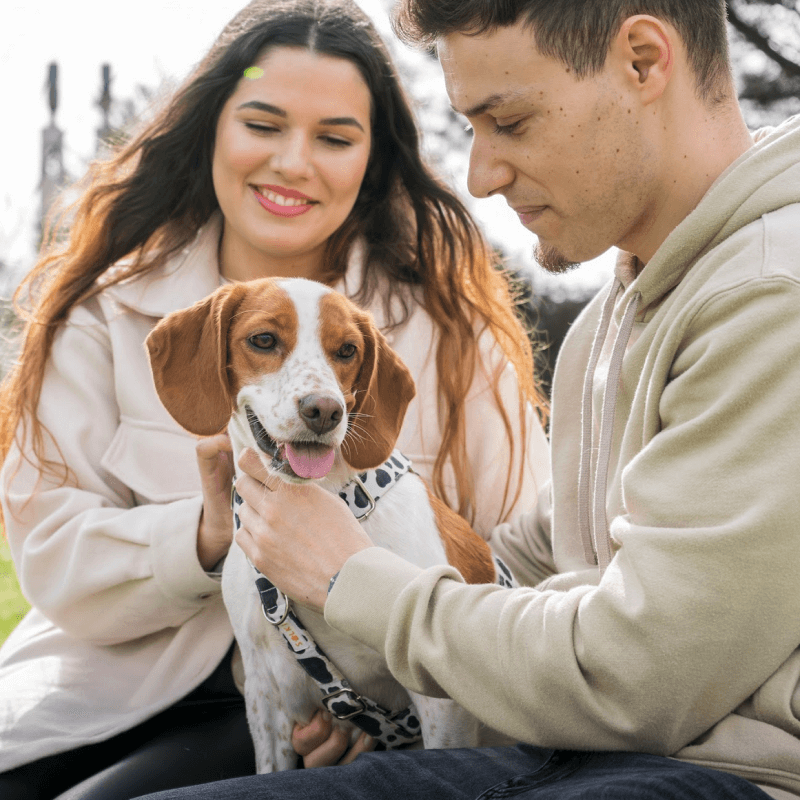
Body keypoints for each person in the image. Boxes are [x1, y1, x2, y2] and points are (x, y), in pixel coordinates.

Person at [132, 0, 800, 799]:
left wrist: (355, 583)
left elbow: (638, 679)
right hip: (576, 749)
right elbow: (531, 560)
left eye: (508, 121)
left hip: (712, 774)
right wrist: (362, 682)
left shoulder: (769, 297)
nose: (480, 175)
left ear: (643, 62)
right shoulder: (617, 312)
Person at [0, 1, 551, 797]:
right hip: (100, 690)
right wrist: (204, 534)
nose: (294, 162)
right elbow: (50, 555)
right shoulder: (103, 311)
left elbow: (522, 559)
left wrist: (387, 708)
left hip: (355, 717)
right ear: (212, 130)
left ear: (374, 158)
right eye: (263, 123)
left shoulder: (450, 332)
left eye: (334, 137)